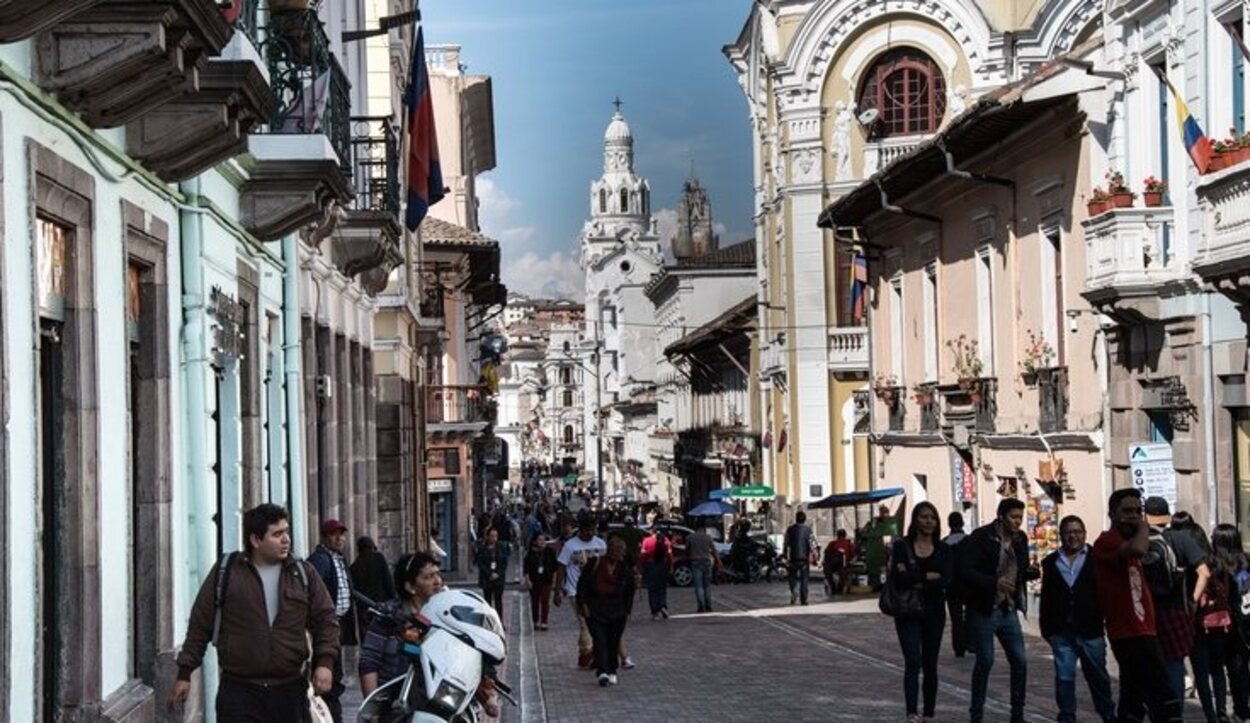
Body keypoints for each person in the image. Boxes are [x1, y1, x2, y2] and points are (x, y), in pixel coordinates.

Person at [168, 503, 339, 721]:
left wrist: (325, 663)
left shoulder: (303, 574)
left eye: (286, 531)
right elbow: (200, 624)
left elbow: (326, 619)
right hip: (240, 692)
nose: (286, 539)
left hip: (289, 691)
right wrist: (185, 674)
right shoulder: (227, 572)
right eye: (277, 534)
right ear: (256, 540)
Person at [358, 552, 501, 718]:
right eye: (429, 577)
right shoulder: (387, 618)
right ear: (410, 586)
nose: (438, 581)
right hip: (398, 703)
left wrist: (487, 696)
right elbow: (369, 662)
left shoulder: (451, 615)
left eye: (438, 574)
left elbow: (472, 651)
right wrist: (374, 709)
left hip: (444, 701)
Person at [1093, 488, 1182, 721]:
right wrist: (1144, 526)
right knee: (1163, 697)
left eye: (1137, 511)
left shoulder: (1127, 539)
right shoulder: (1107, 541)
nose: (1132, 516)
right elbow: (1138, 549)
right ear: (1112, 513)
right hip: (1128, 632)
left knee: (1134, 697)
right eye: (1127, 511)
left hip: (1145, 628)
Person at [959, 498, 1039, 723]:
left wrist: (1030, 572)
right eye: (1013, 517)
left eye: (1020, 518)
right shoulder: (981, 537)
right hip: (985, 607)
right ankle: (977, 713)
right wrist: (993, 582)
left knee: (1020, 661)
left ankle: (1017, 713)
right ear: (1001, 516)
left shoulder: (1020, 539)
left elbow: (1020, 567)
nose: (1017, 522)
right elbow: (966, 570)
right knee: (985, 660)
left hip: (1009, 607)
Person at [1039, 515, 1116, 723]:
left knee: (1098, 677)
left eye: (1077, 532)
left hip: (1090, 630)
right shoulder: (1051, 563)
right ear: (1061, 536)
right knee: (1064, 679)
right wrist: (1047, 630)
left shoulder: (1096, 559)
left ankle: (1107, 714)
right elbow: (1047, 598)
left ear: (1084, 534)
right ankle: (1066, 716)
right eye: (1068, 532)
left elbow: (1106, 593)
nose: (1073, 536)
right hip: (1062, 632)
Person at [1142, 496, 1211, 700]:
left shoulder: (1140, 541)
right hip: (1175, 609)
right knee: (1175, 663)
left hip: (1146, 610)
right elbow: (1204, 572)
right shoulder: (1181, 538)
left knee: (1150, 664)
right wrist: (1193, 600)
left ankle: (1156, 708)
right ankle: (1175, 711)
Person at [890, 502, 951, 723]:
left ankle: (929, 713)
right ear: (915, 520)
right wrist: (927, 577)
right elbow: (899, 578)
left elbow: (946, 580)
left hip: (934, 612)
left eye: (932, 518)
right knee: (912, 661)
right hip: (907, 611)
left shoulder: (943, 549)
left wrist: (914, 578)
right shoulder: (901, 547)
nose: (928, 521)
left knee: (930, 663)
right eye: (924, 517)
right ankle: (911, 712)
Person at [1194, 523, 1250, 722]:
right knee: (1242, 666)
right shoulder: (1246, 561)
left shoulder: (1215, 564)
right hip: (1245, 622)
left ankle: (1240, 710)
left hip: (1225, 623)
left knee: (1228, 668)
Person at [308, 518, 358, 723]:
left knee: (335, 668)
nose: (339, 538)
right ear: (324, 537)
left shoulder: (338, 558)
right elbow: (314, 591)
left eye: (341, 534)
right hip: (326, 624)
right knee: (330, 669)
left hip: (339, 622)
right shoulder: (320, 559)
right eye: (334, 535)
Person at [576, 537, 637, 687]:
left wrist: (627, 610)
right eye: (615, 550)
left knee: (613, 640)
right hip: (596, 608)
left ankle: (612, 670)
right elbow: (582, 585)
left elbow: (630, 590)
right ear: (608, 550)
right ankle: (602, 671)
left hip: (617, 610)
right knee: (599, 639)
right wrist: (583, 604)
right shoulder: (594, 564)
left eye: (620, 551)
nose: (617, 553)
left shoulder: (624, 569)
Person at [554, 511, 607, 669]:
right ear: (580, 530)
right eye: (586, 530)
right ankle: (591, 654)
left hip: (597, 591)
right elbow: (561, 567)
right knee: (584, 622)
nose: (589, 533)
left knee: (593, 622)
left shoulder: (600, 544)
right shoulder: (570, 545)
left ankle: (584, 654)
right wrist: (557, 591)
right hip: (575, 590)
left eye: (592, 529)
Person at [350, 536, 395, 627]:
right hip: (381, 605)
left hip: (364, 608)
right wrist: (393, 597)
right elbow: (388, 580)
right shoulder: (379, 558)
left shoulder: (355, 566)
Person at [942, 512, 969, 658]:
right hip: (969, 585)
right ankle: (972, 642)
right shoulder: (969, 541)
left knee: (956, 617)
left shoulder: (944, 543)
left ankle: (958, 646)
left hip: (951, 586)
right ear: (962, 523)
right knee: (971, 614)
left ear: (949, 524)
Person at [523, 533, 558, 630]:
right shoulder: (531, 553)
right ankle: (536, 621)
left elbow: (555, 568)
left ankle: (544, 621)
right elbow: (526, 569)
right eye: (539, 540)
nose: (542, 542)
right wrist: (528, 580)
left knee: (545, 601)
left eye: (543, 540)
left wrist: (554, 581)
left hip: (547, 580)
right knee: (535, 602)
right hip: (535, 581)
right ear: (535, 541)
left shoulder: (550, 552)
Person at [783, 511, 818, 605]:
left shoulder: (790, 530)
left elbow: (786, 543)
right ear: (805, 519)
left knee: (792, 577)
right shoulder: (808, 530)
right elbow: (813, 544)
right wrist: (815, 556)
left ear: (796, 518)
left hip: (793, 558)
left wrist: (785, 554)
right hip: (804, 559)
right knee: (804, 579)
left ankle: (794, 591)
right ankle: (804, 598)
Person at [475, 526, 511, 619]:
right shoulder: (482, 548)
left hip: (498, 578)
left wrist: (498, 573)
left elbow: (504, 563)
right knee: (488, 601)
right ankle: (489, 621)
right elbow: (480, 563)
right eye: (492, 536)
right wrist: (489, 573)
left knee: (498, 600)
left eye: (495, 536)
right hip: (487, 578)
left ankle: (499, 620)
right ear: (487, 536)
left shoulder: (501, 547)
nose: (494, 538)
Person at [686, 520, 722, 613]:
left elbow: (687, 550)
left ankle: (701, 606)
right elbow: (714, 550)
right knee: (707, 585)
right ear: (704, 528)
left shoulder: (690, 537)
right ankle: (708, 605)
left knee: (698, 586)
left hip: (695, 562)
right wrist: (718, 561)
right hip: (706, 561)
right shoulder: (708, 537)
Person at [640, 528, 673, 620]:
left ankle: (655, 611)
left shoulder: (647, 541)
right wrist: (671, 566)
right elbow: (669, 555)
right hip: (663, 565)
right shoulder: (666, 541)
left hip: (651, 566)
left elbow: (643, 555)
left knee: (652, 589)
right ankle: (663, 606)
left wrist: (641, 567)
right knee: (662, 588)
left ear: (652, 532)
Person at [823, 529, 856, 596]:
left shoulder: (832, 543)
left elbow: (826, 553)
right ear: (845, 535)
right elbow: (853, 555)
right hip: (843, 565)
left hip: (831, 565)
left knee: (828, 572)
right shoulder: (849, 544)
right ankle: (839, 589)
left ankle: (832, 587)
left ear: (837, 536)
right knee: (844, 574)